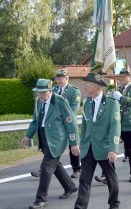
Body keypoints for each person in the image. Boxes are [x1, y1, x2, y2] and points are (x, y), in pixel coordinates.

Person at [21, 79, 79, 209]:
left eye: (43, 93)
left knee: (46, 168)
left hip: (56, 140)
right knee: (55, 164)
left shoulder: (60, 102)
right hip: (43, 137)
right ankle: (70, 187)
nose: (40, 95)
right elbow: (35, 120)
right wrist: (28, 135)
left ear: (49, 90)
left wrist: (73, 143)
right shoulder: (39, 102)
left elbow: (71, 122)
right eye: (38, 93)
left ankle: (40, 200)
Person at [73, 73, 121, 209]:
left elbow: (115, 127)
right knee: (84, 180)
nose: (85, 86)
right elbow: (85, 126)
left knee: (111, 179)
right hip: (88, 147)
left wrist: (113, 148)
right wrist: (81, 143)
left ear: (97, 87)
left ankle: (114, 204)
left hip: (105, 148)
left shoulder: (112, 104)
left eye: (88, 84)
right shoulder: (87, 102)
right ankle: (80, 206)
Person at [30, 69, 82, 179]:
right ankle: (44, 168)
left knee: (72, 145)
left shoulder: (74, 91)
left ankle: (76, 168)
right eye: (57, 78)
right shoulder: (52, 89)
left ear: (67, 78)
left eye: (61, 78)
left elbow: (73, 109)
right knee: (50, 147)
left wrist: (62, 119)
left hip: (67, 122)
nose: (58, 80)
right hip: (54, 125)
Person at [95, 68, 131, 183]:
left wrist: (121, 97)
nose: (120, 79)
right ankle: (107, 174)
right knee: (110, 148)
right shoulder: (117, 89)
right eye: (119, 77)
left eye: (123, 77)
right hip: (115, 123)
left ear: (129, 77)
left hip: (127, 123)